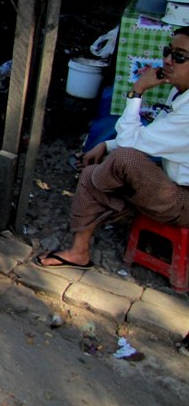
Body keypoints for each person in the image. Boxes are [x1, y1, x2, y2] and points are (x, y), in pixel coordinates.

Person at [37, 26, 189, 269]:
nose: (168, 60)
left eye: (179, 56)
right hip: (169, 185)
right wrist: (106, 144)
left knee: (123, 159)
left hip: (183, 201)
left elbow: (131, 144)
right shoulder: (180, 94)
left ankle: (105, 191)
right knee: (102, 167)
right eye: (168, 52)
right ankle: (78, 252)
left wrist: (137, 90)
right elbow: (150, 137)